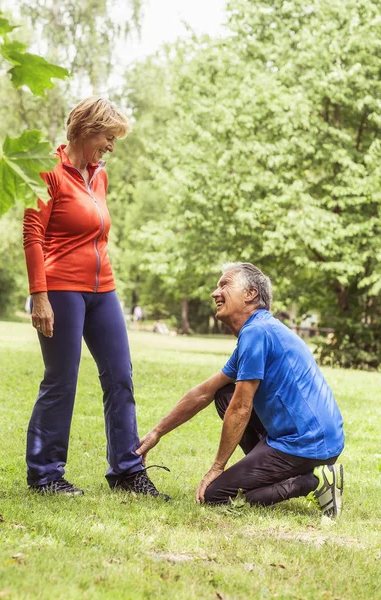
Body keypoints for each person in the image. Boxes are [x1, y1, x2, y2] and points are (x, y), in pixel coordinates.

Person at [23, 96, 169, 499]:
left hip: (102, 289)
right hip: (61, 288)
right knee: (62, 380)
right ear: (87, 130)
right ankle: (45, 474)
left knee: (120, 376)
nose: (111, 146)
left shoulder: (99, 177)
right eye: (108, 136)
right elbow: (33, 235)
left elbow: (98, 236)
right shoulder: (47, 171)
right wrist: (40, 295)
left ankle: (126, 469)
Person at [136, 262, 345, 518]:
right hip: (310, 437)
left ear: (251, 294)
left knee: (217, 495)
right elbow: (204, 392)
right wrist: (157, 432)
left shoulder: (257, 332)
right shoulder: (258, 330)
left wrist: (217, 467)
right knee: (222, 394)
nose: (215, 293)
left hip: (308, 443)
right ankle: (275, 471)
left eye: (224, 284)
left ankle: (314, 481)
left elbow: (241, 407)